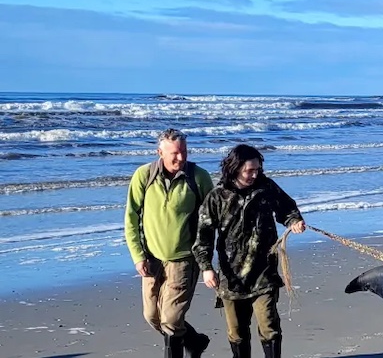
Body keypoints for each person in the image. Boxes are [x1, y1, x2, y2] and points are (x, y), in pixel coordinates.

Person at [193, 144, 306, 358]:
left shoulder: (266, 187)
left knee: (269, 325)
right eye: (249, 170)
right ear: (235, 168)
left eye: (258, 170)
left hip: (264, 272)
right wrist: (206, 268)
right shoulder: (217, 196)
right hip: (231, 276)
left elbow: (287, 208)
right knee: (237, 332)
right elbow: (203, 236)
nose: (255, 174)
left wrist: (294, 221)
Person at [124, 128, 215, 358]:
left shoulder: (199, 177)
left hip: (184, 260)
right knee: (152, 316)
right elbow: (131, 217)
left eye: (184, 151)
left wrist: (207, 263)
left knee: (172, 320)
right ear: (160, 152)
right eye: (175, 153)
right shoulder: (143, 176)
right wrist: (138, 256)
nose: (181, 158)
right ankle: (195, 342)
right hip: (151, 260)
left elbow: (212, 219)